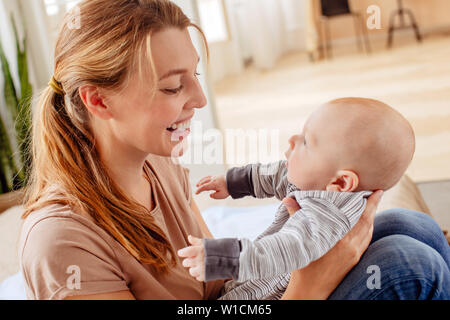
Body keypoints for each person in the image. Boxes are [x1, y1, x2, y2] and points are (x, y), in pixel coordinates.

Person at [18, 0, 449, 300]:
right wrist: (308, 284)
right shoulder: (61, 244)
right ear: (98, 100)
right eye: (172, 86)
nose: (200, 99)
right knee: (411, 265)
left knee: (415, 228)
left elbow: (216, 286)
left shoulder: (159, 165)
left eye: (195, 75)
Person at [178, 97, 420, 299]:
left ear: (341, 182)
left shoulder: (325, 216)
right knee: (410, 228)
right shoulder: (323, 183)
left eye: (306, 142)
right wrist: (232, 182)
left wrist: (223, 258)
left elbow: (285, 248)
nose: (293, 140)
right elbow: (277, 175)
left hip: (265, 295)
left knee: (408, 227)